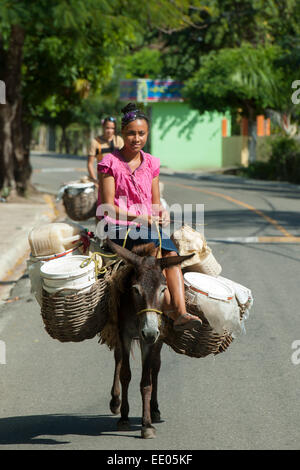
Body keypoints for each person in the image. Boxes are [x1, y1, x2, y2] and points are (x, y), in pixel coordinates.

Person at [96, 103, 201, 331]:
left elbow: (154, 202)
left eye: (141, 133)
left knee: (171, 252)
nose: (136, 138)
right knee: (155, 245)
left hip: (147, 227)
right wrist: (138, 218)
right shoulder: (109, 163)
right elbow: (107, 207)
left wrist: (160, 214)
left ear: (147, 134)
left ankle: (181, 311)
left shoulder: (152, 163)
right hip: (117, 227)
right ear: (122, 133)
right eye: (131, 133)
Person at [87, 116, 124, 185]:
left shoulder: (118, 140)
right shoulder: (95, 142)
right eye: (107, 128)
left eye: (112, 128)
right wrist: (95, 180)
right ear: (103, 127)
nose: (109, 131)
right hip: (102, 179)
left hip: (118, 179)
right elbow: (90, 164)